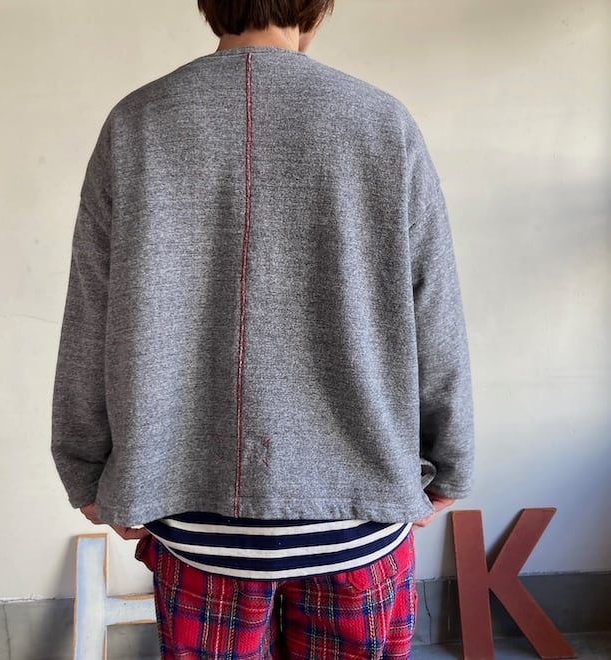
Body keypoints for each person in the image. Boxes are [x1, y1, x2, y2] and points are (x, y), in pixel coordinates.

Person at [52, 1, 474, 657]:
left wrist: (86, 468)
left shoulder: (138, 122)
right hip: (356, 517)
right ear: (319, 6)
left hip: (194, 519)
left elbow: (91, 309)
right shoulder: (381, 122)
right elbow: (434, 307)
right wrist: (450, 462)